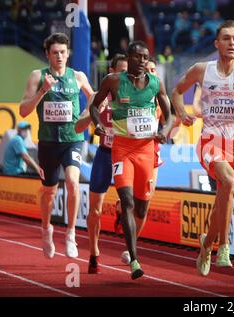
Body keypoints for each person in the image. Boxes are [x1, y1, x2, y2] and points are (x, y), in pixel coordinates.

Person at [171, 20, 234, 276]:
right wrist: (182, 112)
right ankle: (224, 245)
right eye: (226, 38)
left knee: (223, 200)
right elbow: (177, 91)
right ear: (216, 43)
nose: (231, 42)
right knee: (230, 181)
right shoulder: (202, 69)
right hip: (210, 140)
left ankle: (206, 245)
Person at [90, 41, 173, 280]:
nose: (142, 61)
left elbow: (168, 116)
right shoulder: (114, 81)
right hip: (122, 149)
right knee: (126, 200)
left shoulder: (156, 83)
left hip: (146, 150)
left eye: (145, 57)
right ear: (129, 58)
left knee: (141, 206)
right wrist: (98, 124)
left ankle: (130, 244)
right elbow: (95, 106)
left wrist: (164, 131)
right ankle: (135, 260)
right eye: (137, 57)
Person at [19, 33, 95, 259]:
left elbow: (93, 97)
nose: (59, 56)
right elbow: (23, 110)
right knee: (49, 191)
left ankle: (71, 234)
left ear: (68, 53)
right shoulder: (37, 76)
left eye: (63, 52)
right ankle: (46, 230)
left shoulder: (78, 76)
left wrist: (85, 116)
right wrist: (42, 90)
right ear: (47, 54)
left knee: (72, 182)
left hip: (73, 139)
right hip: (48, 143)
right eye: (55, 53)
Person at [74, 53, 128, 274]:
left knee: (131, 203)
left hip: (126, 156)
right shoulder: (97, 95)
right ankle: (94, 252)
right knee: (95, 211)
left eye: (128, 72)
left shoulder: (137, 96)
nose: (125, 76)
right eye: (121, 71)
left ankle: (120, 208)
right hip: (105, 155)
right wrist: (97, 111)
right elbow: (78, 127)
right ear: (111, 73)